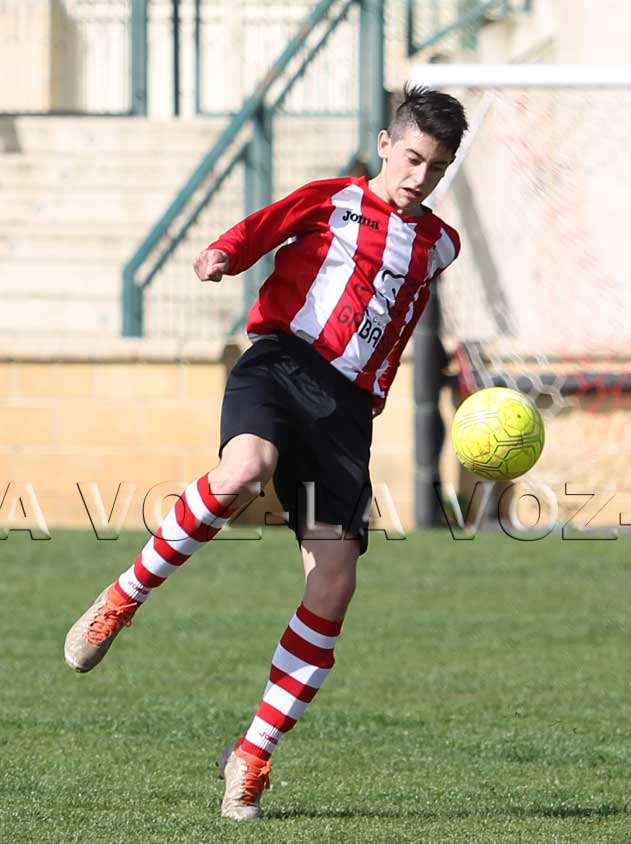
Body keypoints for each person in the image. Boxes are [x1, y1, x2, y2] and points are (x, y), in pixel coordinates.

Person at [64, 84, 468, 821]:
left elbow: (395, 315)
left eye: (436, 168)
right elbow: (263, 227)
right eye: (412, 158)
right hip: (282, 363)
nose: (420, 177)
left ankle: (251, 754)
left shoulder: (441, 244)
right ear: (385, 145)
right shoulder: (334, 199)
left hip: (345, 413)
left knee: (334, 584)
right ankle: (121, 600)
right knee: (244, 470)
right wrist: (223, 253)